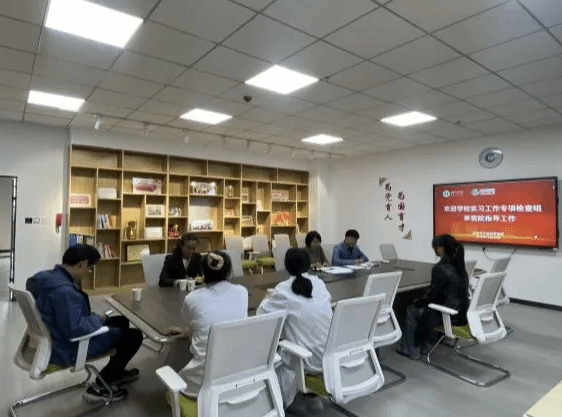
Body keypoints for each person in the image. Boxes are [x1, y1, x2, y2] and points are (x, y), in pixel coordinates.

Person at [26, 244, 143, 403]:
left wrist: (94, 318)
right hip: (69, 346)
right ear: (83, 264)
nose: (89, 273)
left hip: (56, 334)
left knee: (121, 321)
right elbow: (75, 328)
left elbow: (66, 316)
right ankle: (101, 386)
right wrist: (97, 319)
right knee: (134, 336)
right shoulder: (65, 292)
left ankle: (116, 372)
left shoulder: (45, 278)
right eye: (90, 268)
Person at [257, 248, 333, 408]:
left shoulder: (283, 289)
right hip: (329, 357)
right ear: (309, 265)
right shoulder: (319, 283)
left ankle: (284, 402)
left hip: (307, 362)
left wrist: (268, 297)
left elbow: (261, 316)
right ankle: (311, 394)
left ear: (286, 266)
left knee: (272, 354)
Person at [166, 251, 248, 397]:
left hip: (201, 387)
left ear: (203, 273)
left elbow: (191, 320)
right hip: (238, 378)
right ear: (229, 272)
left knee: (171, 391)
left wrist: (187, 331)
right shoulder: (242, 292)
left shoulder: (192, 299)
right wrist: (189, 330)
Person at [398, 234, 470, 360]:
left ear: (441, 248)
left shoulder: (440, 268)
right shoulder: (460, 267)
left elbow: (433, 297)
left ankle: (411, 350)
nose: (434, 250)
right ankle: (422, 345)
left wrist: (418, 301)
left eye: (435, 247)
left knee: (411, 309)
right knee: (418, 304)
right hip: (461, 313)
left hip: (447, 315)